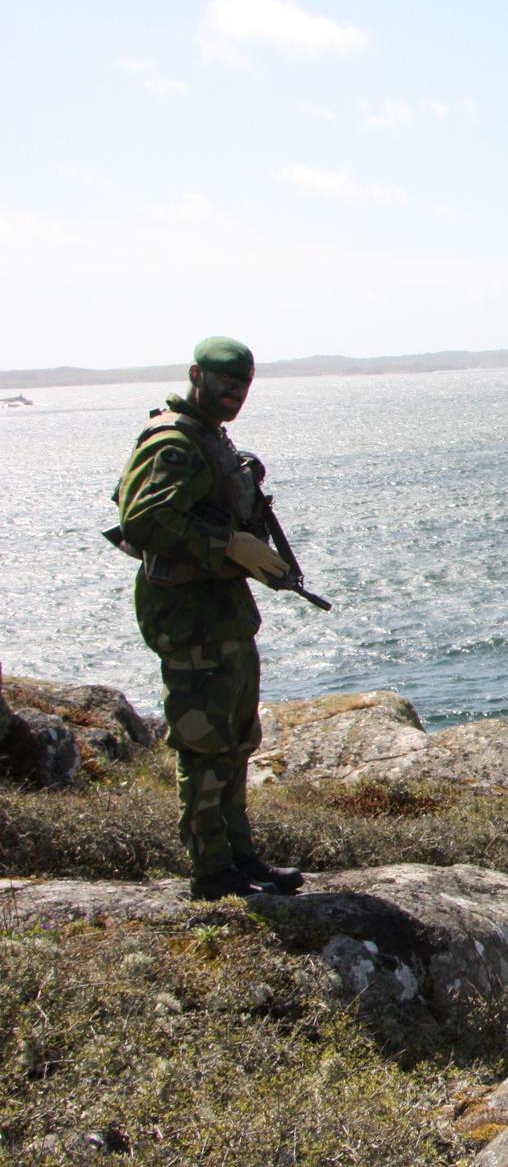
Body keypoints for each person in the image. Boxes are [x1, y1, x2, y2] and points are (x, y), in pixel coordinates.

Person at [112, 336, 304, 901]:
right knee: (203, 746)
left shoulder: (209, 439)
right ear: (197, 374)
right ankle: (211, 871)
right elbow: (143, 520)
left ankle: (239, 855)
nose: (233, 393)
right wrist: (230, 545)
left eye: (242, 384)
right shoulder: (173, 440)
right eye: (223, 381)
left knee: (236, 741)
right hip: (190, 618)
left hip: (222, 615)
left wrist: (248, 550)